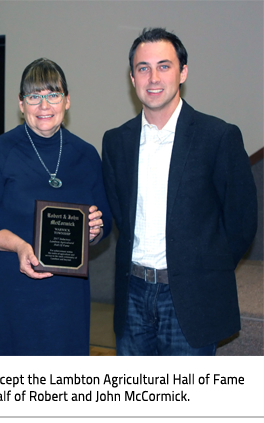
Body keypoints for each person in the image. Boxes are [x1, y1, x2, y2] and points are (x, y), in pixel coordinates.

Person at [102, 28, 258, 356]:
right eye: (143, 68)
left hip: (191, 298)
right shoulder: (116, 142)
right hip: (132, 297)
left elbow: (242, 222)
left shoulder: (218, 137)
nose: (153, 77)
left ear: (183, 72)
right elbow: (121, 217)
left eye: (164, 66)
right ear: (132, 78)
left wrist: (203, 269)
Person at [0, 58, 112, 356]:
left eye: (53, 95)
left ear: (67, 101)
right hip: (5, 292)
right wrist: (17, 245)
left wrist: (95, 230)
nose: (44, 105)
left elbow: (104, 224)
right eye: (34, 96)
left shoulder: (86, 155)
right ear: (21, 103)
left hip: (65, 299)